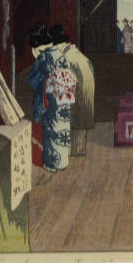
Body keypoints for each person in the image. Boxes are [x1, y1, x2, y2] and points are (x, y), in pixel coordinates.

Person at [27, 22, 76, 172]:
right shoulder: (60, 55)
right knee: (63, 129)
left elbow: (33, 81)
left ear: (36, 48)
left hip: (50, 100)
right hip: (64, 99)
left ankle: (52, 164)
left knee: (50, 130)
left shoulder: (43, 58)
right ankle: (64, 160)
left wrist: (37, 111)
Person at [49, 24, 95, 157]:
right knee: (79, 139)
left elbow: (64, 91)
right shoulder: (77, 54)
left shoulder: (66, 59)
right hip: (85, 104)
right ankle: (78, 151)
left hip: (75, 105)